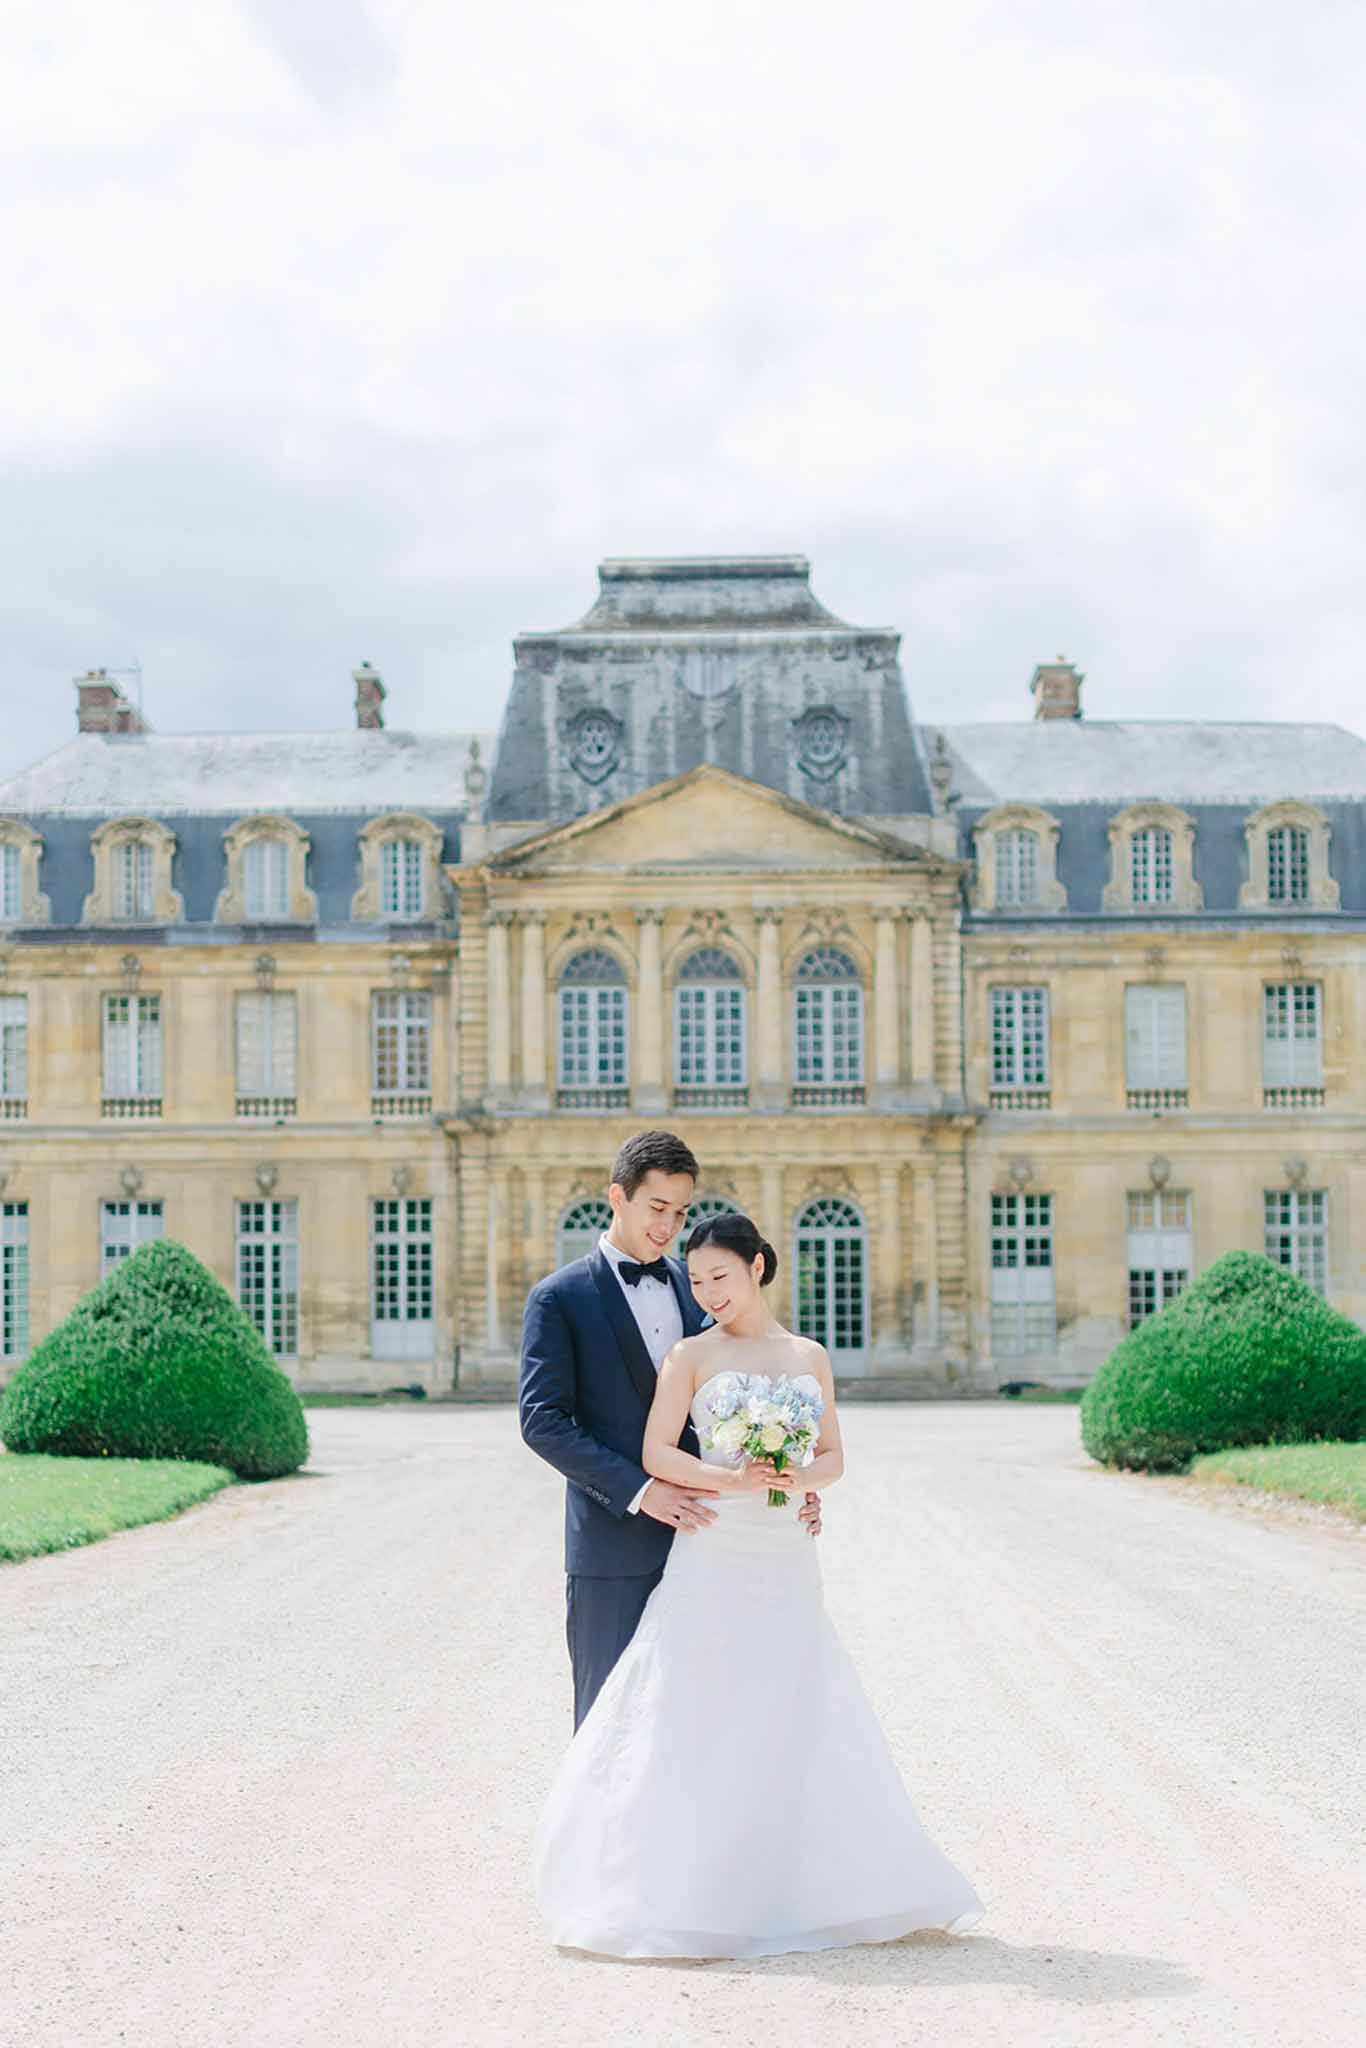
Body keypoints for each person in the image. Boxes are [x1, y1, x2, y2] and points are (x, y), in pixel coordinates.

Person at [531, 1208, 986, 1959]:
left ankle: (799, 1878)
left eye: (721, 1277)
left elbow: (835, 1456)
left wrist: (797, 1479)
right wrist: (732, 1478)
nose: (707, 1291)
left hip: (784, 1553)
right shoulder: (690, 1355)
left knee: (793, 1698)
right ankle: (690, 1881)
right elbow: (656, 1452)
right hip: (716, 1544)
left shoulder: (808, 1355)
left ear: (759, 1268)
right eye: (699, 1279)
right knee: (703, 1701)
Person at [518, 1129, 823, 1732]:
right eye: (657, 1208)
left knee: (705, 1721)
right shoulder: (559, 1298)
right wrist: (640, 1490)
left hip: (716, 1544)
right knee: (609, 1718)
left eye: (680, 1213)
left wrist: (789, 1482)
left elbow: (760, 1383)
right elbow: (542, 1421)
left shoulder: (702, 1285)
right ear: (618, 1196)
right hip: (614, 1545)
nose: (668, 1227)